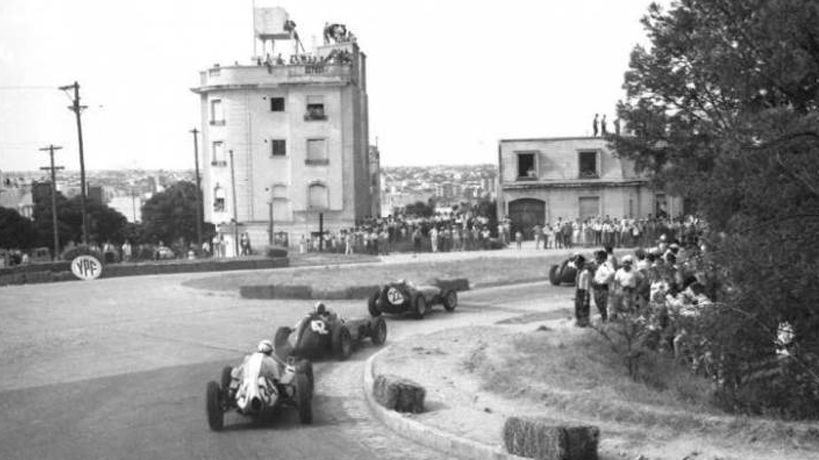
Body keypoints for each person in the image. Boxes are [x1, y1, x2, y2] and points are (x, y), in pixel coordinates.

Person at [592, 250, 614, 322]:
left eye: (598, 258)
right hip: (598, 288)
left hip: (602, 288)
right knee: (600, 305)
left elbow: (611, 273)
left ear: (603, 258)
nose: (596, 260)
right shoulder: (602, 265)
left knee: (603, 305)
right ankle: (604, 319)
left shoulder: (605, 265)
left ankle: (605, 320)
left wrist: (602, 281)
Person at [574, 255, 592, 327]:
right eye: (576, 263)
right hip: (578, 291)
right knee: (577, 307)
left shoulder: (586, 272)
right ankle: (579, 322)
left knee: (584, 307)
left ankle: (584, 323)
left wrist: (586, 297)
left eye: (578, 263)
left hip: (584, 291)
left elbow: (587, 286)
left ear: (582, 263)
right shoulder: (579, 271)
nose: (576, 264)